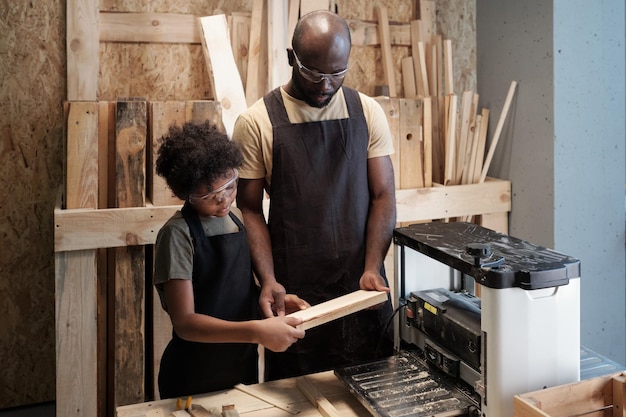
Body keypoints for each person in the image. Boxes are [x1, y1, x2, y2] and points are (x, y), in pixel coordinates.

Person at [232, 10, 397, 381]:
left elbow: (384, 195)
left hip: (360, 284)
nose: (325, 85)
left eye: (337, 73)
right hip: (295, 290)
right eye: (314, 73)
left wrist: (372, 265)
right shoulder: (256, 122)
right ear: (292, 58)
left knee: (372, 387)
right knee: (298, 394)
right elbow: (249, 209)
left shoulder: (367, 113)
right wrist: (268, 280)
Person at [153, 121, 308, 398]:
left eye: (230, 186)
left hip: (241, 366)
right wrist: (258, 332)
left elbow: (231, 292)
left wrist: (271, 305)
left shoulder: (236, 221)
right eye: (210, 195)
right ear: (184, 193)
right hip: (193, 373)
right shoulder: (177, 235)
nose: (224, 200)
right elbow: (186, 323)